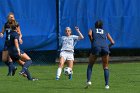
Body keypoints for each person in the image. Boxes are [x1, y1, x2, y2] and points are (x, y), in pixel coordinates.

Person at [86, 20, 115, 89]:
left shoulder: (92, 29)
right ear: (102, 25)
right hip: (105, 47)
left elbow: (89, 34)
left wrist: (92, 41)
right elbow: (113, 42)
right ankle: (107, 85)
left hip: (96, 46)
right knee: (105, 67)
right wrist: (107, 47)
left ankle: (89, 81)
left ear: (95, 25)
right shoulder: (105, 31)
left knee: (90, 65)